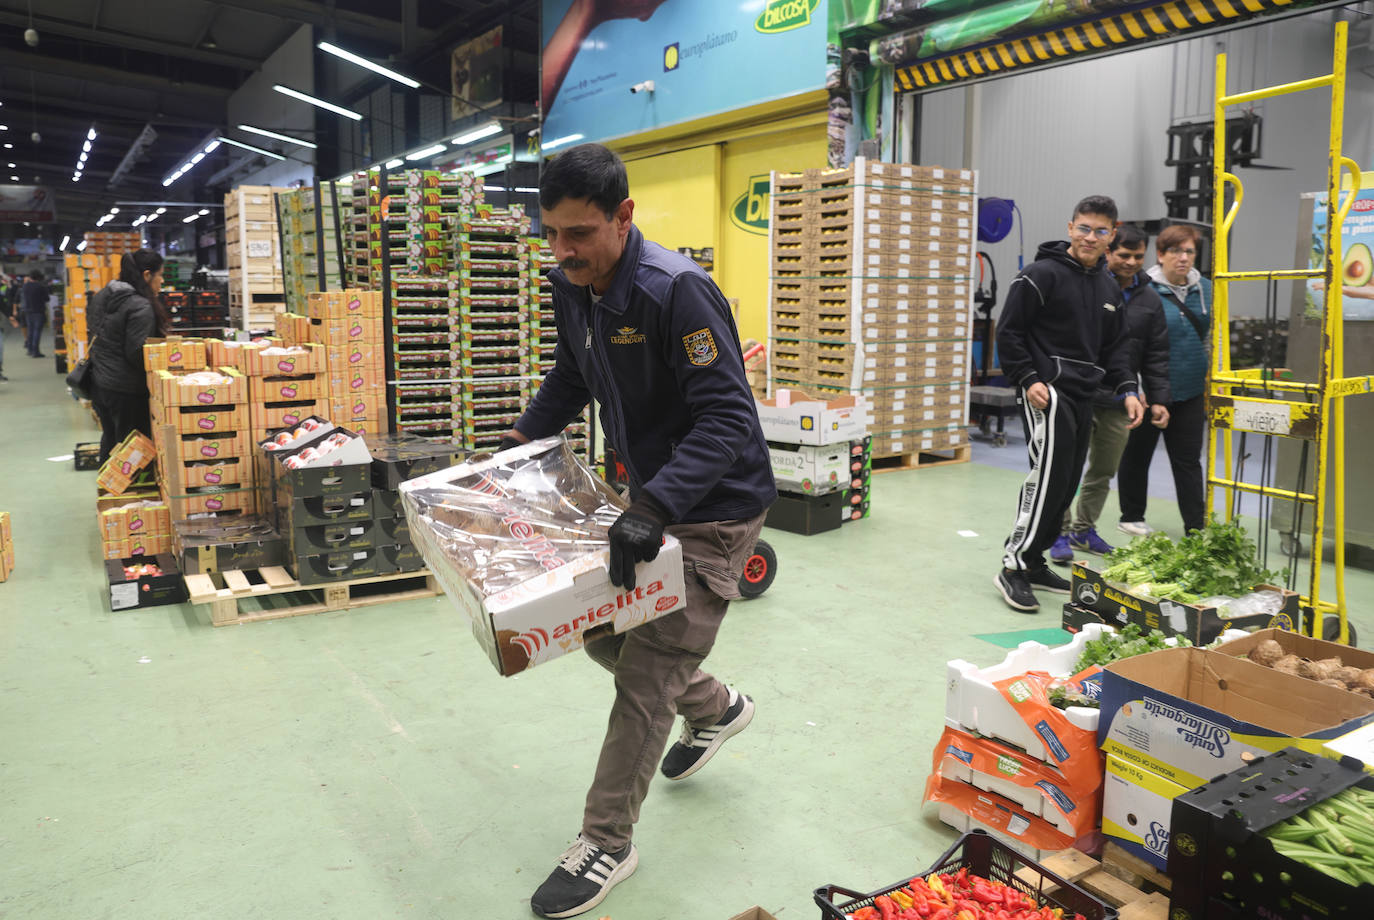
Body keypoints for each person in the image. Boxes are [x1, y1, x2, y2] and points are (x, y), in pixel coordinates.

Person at [500, 143, 776, 919]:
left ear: (625, 217)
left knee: (646, 674)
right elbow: (573, 372)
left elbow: (727, 418)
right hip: (647, 496)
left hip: (714, 506)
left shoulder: (676, 293)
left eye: (579, 234)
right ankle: (718, 708)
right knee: (599, 634)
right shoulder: (573, 283)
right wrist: (525, 440)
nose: (562, 252)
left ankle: (606, 842)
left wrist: (655, 509)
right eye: (550, 234)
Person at [993, 195, 1145, 613]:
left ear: (1111, 236)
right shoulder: (1040, 275)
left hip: (1086, 392)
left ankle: (1035, 559)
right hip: (1048, 391)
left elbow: (1116, 347)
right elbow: (1009, 333)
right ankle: (1013, 566)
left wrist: (1129, 388)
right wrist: (1027, 378)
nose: (1089, 237)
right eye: (1083, 228)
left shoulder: (1108, 286)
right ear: (1069, 227)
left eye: (1099, 231)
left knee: (1066, 481)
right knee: (1046, 478)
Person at [1050, 224, 1171, 564]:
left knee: (1103, 470)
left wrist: (1157, 397)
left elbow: (1156, 353)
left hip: (1120, 399)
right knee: (1066, 469)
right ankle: (1056, 531)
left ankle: (1082, 529)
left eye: (1138, 257)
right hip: (1079, 393)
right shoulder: (1087, 286)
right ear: (1108, 253)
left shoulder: (1149, 298)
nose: (1131, 262)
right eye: (1123, 255)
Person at [1116, 224, 1212, 535]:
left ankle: (1195, 527)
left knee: (1188, 460)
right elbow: (1131, 343)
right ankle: (1131, 515)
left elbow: (1213, 336)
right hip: (1150, 389)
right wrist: (1137, 387)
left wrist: (1213, 378)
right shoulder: (1143, 290)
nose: (1183, 258)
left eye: (1189, 251)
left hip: (1191, 389)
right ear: (1160, 254)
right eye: (1175, 251)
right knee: (1137, 454)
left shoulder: (1206, 290)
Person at [89, 250, 168, 463]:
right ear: (146, 275)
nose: (162, 281)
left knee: (112, 439)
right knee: (133, 447)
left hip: (99, 382)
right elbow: (136, 353)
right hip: (126, 389)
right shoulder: (140, 306)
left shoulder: (103, 295)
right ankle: (131, 493)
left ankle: (109, 491)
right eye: (160, 275)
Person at [21, 269, 49, 358]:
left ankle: (30, 350)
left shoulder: (25, 286)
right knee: (37, 331)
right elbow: (47, 299)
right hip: (38, 311)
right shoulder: (41, 286)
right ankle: (35, 352)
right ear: (38, 277)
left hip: (28, 311)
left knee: (30, 331)